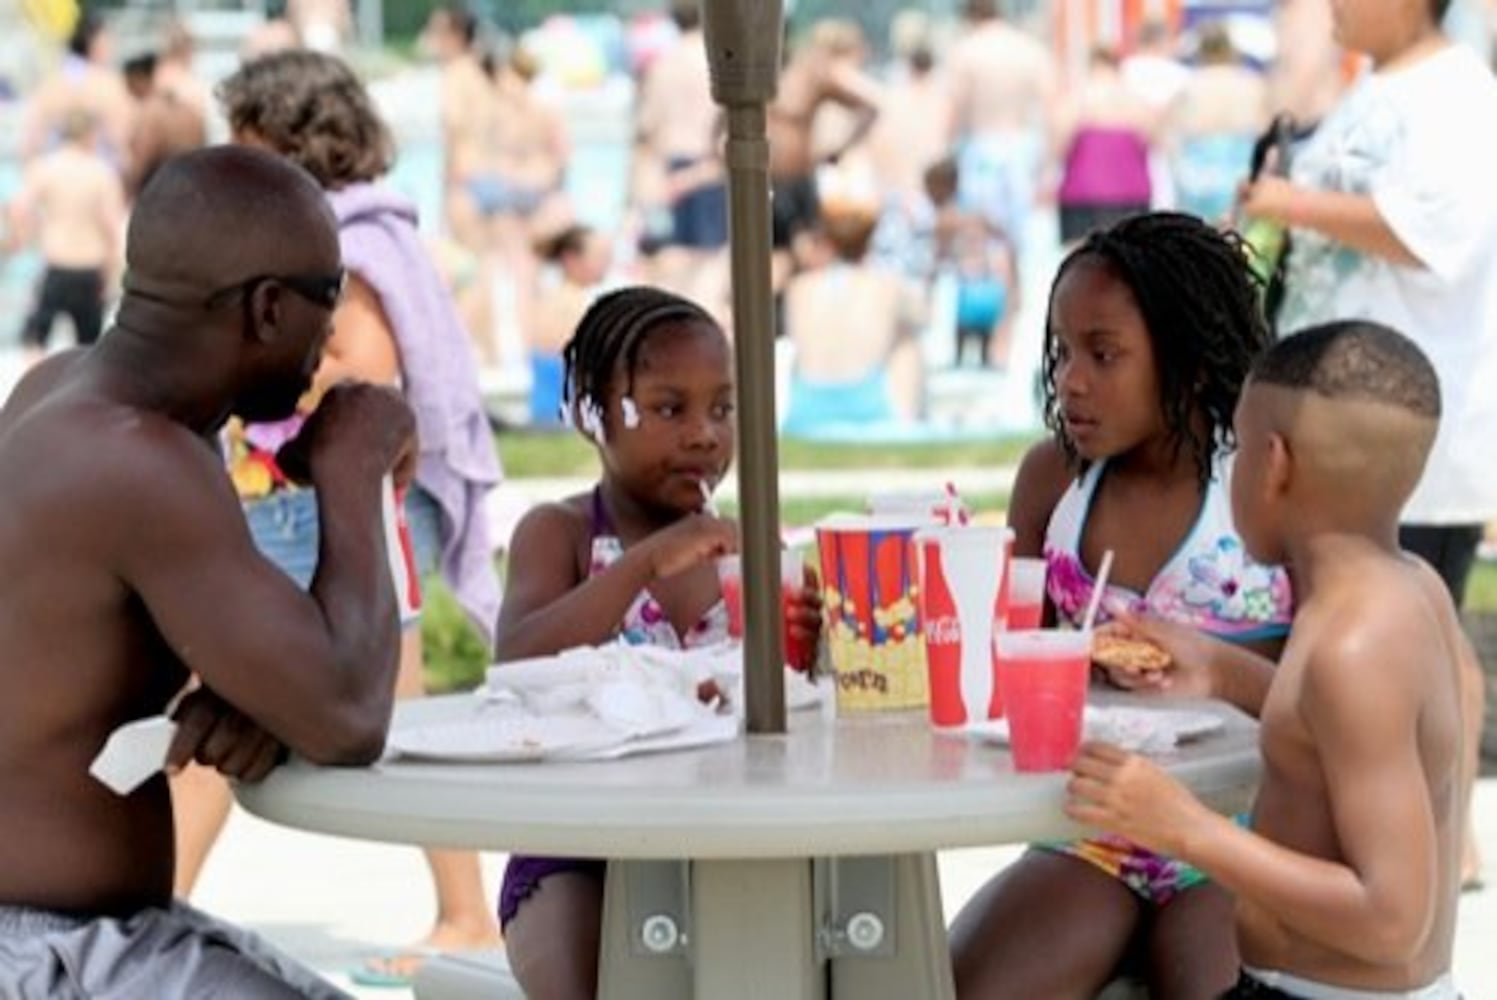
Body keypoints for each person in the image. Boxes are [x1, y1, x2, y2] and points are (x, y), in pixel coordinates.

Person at [0, 144, 412, 998]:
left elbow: (79, 654)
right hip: (47, 952)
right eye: (325, 300)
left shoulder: (60, 389)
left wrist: (251, 692)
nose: (331, 337)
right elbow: (346, 714)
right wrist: (355, 467)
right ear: (267, 308)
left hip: (74, 932)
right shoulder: (142, 459)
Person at [178, 50, 506, 986]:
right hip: (314, 505)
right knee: (246, 704)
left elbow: (361, 365)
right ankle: (461, 907)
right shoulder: (371, 231)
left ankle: (464, 910)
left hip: (321, 508)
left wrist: (246, 366)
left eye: (244, 147)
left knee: (241, 702)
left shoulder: (343, 248)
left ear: (292, 145)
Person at [1069, 321, 1474, 999]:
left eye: (1237, 447)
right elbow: (1336, 732)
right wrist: (1222, 671)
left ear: (1274, 463)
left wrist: (1185, 828)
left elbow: (1392, 918)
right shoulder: (1403, 590)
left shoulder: (1353, 646)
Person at [949, 213, 1293, 999]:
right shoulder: (1052, 483)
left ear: (1190, 361)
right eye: (1062, 351)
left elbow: (1327, 702)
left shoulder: (1264, 489)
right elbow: (1006, 670)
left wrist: (1213, 667)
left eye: (1102, 355)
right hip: (1089, 832)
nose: (1068, 379)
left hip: (1236, 829)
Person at [492, 286, 823, 999]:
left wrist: (807, 642)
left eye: (723, 408)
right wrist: (644, 563)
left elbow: (795, 707)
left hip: (725, 844)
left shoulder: (749, 548)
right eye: (669, 409)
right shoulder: (562, 534)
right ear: (591, 415)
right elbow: (516, 662)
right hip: (577, 847)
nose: (704, 434)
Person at [1241, 0, 1497, 886]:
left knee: (1426, 629)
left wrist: (1288, 201)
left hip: (1403, 429)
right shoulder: (1370, 85)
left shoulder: (1458, 93)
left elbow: (1435, 237)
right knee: (1375, 626)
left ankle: (1446, 833)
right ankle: (1418, 830)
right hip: (1333, 417)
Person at [781, 201, 925, 435]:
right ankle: (908, 426)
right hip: (867, 399)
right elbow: (924, 317)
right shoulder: (887, 285)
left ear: (827, 243)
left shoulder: (799, 287)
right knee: (907, 341)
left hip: (807, 401)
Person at [7, 109, 126, 360]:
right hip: (89, 268)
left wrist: (24, 238)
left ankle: (33, 395)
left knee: (35, 339)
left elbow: (17, 210)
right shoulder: (101, 173)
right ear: (90, 136)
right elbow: (111, 229)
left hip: (57, 264)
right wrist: (113, 271)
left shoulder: (47, 168)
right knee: (87, 348)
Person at [946, 0, 1058, 264]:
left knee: (980, 237)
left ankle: (990, 301)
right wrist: (1049, 164)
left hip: (981, 148)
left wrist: (946, 154)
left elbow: (954, 110)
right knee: (1019, 240)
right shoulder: (1029, 49)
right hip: (1022, 146)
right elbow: (1051, 108)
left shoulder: (966, 51)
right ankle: (1016, 297)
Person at [1054, 47, 1157, 246]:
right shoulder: (1136, 101)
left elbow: (1059, 145)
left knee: (1081, 261)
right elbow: (1153, 140)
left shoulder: (1076, 99)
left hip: (1083, 191)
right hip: (1130, 192)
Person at [1168, 23, 1268, 223]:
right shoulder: (1251, 83)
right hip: (1240, 168)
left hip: (1195, 174)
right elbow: (1265, 132)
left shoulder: (1190, 85)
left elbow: (1171, 135)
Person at [529, 224, 613, 427]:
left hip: (545, 408)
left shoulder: (551, 298)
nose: (606, 264)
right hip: (563, 413)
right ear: (571, 260)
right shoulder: (572, 304)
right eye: (599, 257)